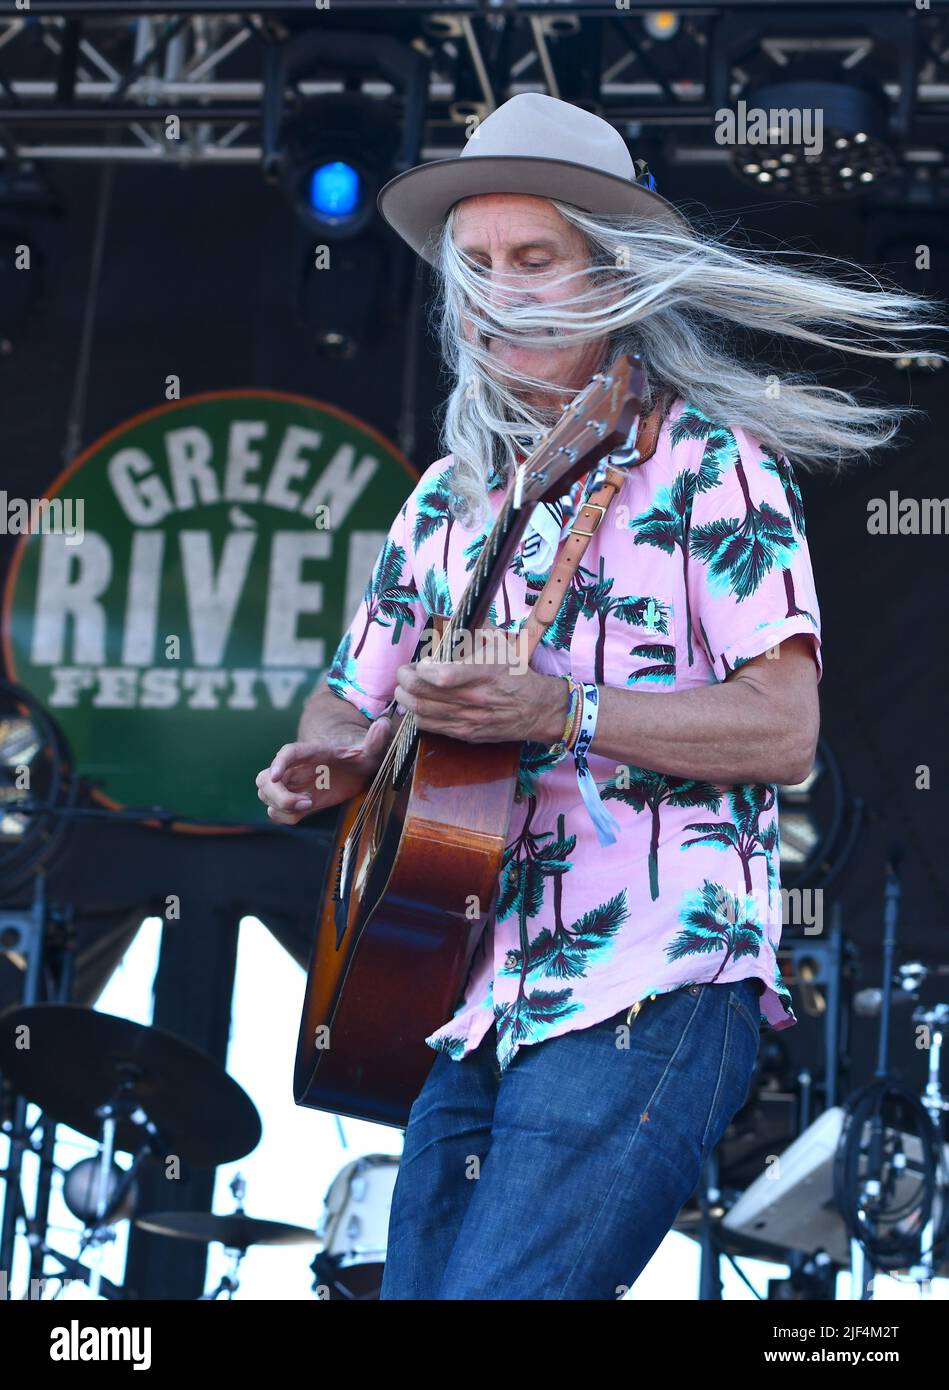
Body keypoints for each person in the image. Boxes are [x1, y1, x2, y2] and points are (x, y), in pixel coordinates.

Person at [256, 94, 942, 1299]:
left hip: (653, 978)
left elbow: (785, 732)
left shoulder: (709, 463)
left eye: (535, 259)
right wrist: (346, 756)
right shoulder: (445, 501)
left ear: (609, 272)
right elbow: (337, 700)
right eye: (475, 266)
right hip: (463, 1002)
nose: (500, 290)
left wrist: (560, 711)